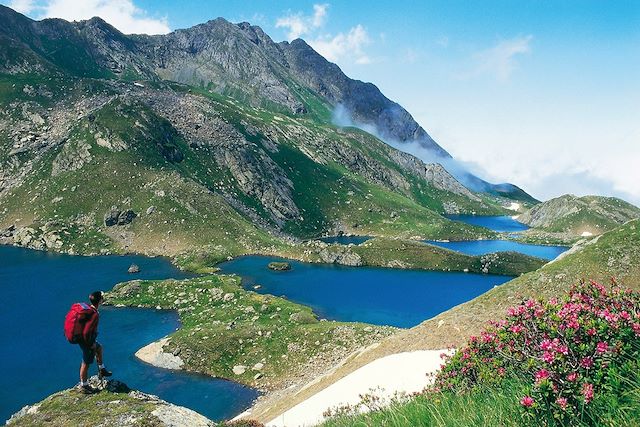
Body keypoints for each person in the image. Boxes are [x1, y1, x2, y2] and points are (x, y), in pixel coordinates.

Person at [77, 291, 112, 394]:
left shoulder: (89, 309)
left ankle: (102, 369)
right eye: (102, 298)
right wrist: (91, 343)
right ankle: (84, 385)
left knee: (99, 347)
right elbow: (88, 331)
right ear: (100, 300)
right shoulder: (94, 314)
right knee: (86, 363)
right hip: (87, 341)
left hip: (85, 339)